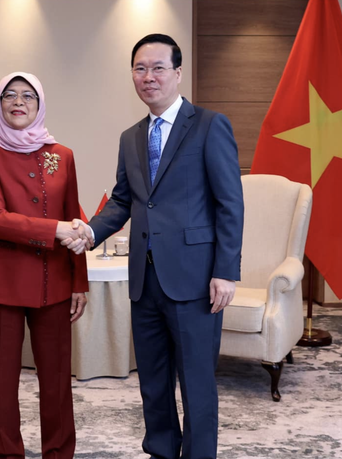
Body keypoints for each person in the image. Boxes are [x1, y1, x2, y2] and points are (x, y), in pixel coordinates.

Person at [66, 34, 244, 459]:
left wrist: (226, 271)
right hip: (144, 280)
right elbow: (125, 201)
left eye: (158, 67)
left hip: (196, 279)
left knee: (197, 383)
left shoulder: (208, 125)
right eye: (140, 68)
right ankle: (162, 452)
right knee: (153, 380)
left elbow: (229, 203)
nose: (149, 77)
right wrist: (90, 232)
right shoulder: (131, 137)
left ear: (178, 73)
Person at [0, 71, 90, 459]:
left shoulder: (63, 155)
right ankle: (7, 454)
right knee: (2, 382)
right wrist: (55, 229)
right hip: (0, 285)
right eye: (9, 95)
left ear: (39, 106)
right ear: (0, 105)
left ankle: (59, 454)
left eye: (27, 96)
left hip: (53, 281)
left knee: (56, 381)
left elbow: (76, 217)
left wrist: (80, 281)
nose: (18, 102)